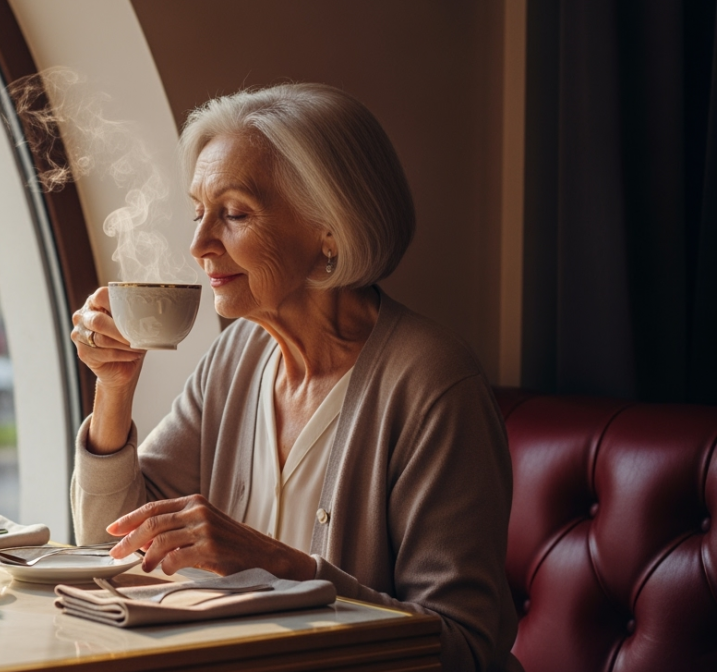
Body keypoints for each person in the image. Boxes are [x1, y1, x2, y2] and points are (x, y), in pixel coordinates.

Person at [70, 84, 520, 672]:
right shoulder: (236, 359)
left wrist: (282, 567)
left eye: (233, 214)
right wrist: (114, 387)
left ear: (328, 232)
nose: (199, 244)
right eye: (198, 212)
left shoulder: (431, 382)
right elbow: (112, 544)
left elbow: (465, 648)